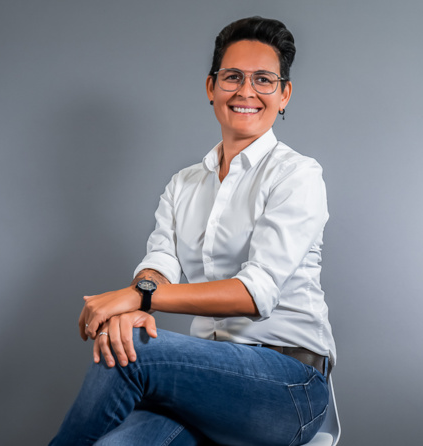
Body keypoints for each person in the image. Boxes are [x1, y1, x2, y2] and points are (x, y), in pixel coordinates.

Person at [49, 16, 337, 446]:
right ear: (211, 87)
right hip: (206, 378)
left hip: (289, 387)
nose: (246, 91)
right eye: (233, 77)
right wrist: (138, 296)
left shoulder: (297, 175)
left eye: (263, 79)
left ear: (284, 95)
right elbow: (159, 265)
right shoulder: (183, 184)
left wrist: (140, 298)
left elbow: (255, 293)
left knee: (134, 352)